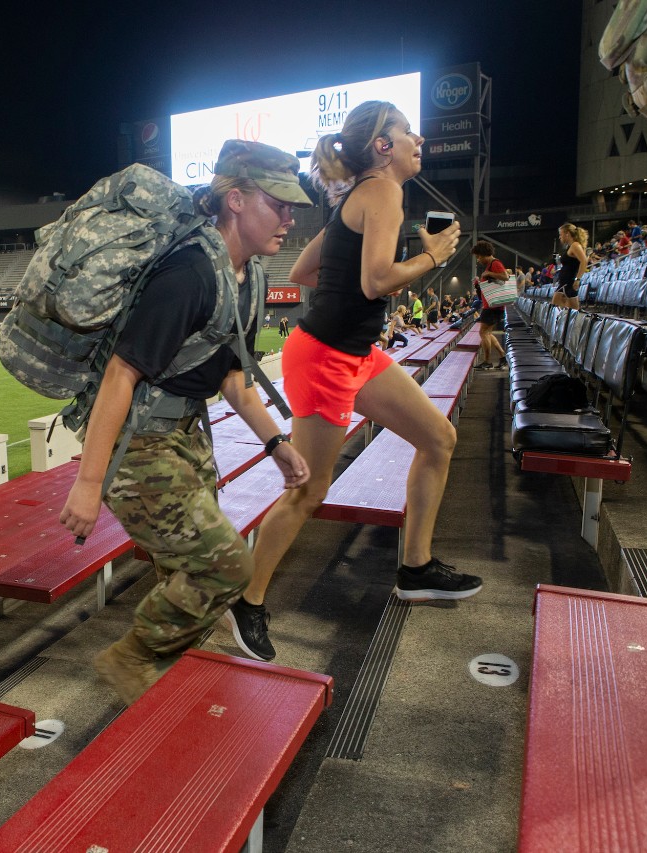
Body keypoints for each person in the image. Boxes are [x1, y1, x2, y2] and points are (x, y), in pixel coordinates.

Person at [226, 101, 481, 662]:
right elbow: (375, 281)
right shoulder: (383, 192)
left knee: (438, 438)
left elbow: (301, 273)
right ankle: (248, 603)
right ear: (382, 146)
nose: (419, 140)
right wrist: (432, 256)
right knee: (311, 490)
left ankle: (415, 568)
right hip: (324, 359)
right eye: (407, 132)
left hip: (352, 352)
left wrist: (359, 276)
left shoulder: (357, 197)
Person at [59, 140, 311, 703]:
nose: (290, 218)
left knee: (186, 562)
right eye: (280, 204)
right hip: (139, 442)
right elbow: (121, 374)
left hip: (186, 435)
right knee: (225, 564)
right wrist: (89, 484)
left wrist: (277, 444)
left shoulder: (249, 277)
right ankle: (134, 657)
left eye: (294, 207)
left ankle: (168, 678)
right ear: (238, 200)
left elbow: (234, 377)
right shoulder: (191, 272)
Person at [472, 241, 509, 370]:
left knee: (483, 333)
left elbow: (505, 276)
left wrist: (489, 274)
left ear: (484, 254)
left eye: (479, 256)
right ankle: (503, 357)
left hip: (493, 307)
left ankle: (487, 361)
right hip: (491, 306)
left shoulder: (495, 263)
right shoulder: (490, 265)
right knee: (487, 332)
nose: (478, 259)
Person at [552, 223, 589, 310]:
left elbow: (584, 261)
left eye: (561, 234)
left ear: (567, 234)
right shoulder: (571, 247)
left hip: (568, 283)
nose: (560, 237)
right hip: (565, 283)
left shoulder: (575, 246)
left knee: (556, 310)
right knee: (569, 313)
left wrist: (578, 279)